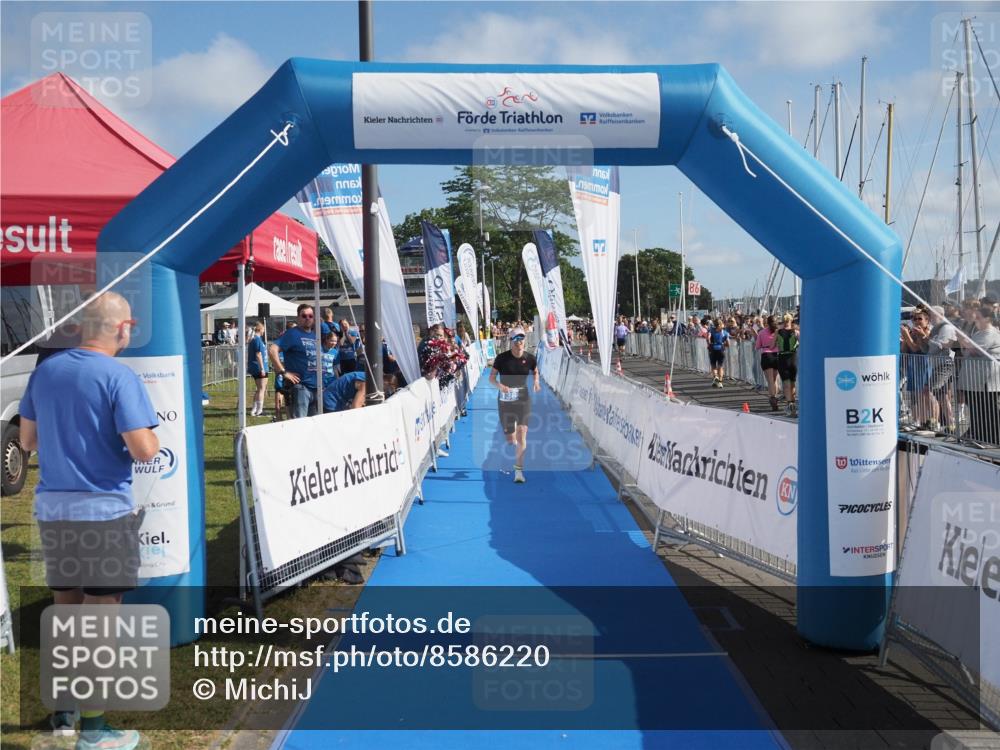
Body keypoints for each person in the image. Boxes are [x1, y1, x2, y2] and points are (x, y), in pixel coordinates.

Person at [19, 292, 158, 748]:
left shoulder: (46, 371)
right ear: (123, 327)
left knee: (66, 614)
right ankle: (95, 733)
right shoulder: (119, 376)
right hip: (103, 514)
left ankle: (64, 713)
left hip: (54, 512)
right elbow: (143, 448)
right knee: (99, 623)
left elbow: (28, 442)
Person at [488, 326, 540, 484]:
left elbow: (535, 370)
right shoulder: (502, 358)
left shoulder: (530, 358)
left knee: (522, 432)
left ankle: (518, 471)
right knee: (510, 439)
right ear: (511, 341)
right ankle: (514, 443)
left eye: (522, 338)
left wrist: (536, 381)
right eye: (516, 339)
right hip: (505, 400)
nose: (520, 342)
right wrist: (500, 386)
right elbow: (491, 378)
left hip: (523, 397)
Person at [957, 304, 1000, 444]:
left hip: (984, 382)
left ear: (987, 319)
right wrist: (964, 343)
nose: (975, 320)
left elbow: (977, 351)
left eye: (978, 318)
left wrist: (962, 340)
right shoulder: (978, 333)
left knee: (987, 410)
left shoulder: (990, 333)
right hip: (974, 381)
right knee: (976, 409)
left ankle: (990, 437)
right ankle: (978, 434)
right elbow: (967, 352)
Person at [269, 304, 320, 419]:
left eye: (310, 316)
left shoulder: (314, 335)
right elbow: (273, 350)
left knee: (315, 425)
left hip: (316, 388)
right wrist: (283, 372)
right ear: (298, 318)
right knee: (298, 426)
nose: (308, 318)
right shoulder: (292, 333)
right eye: (304, 315)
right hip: (301, 387)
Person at [755, 315, 781, 410]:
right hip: (777, 355)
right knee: (775, 379)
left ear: (767, 323)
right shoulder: (778, 332)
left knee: (770, 380)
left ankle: (773, 398)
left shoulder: (762, 333)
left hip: (766, 355)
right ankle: (775, 397)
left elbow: (757, 346)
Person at [775, 313, 799, 415]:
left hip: (782, 357)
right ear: (791, 321)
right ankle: (793, 404)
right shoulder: (796, 332)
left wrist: (777, 342)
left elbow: (772, 345)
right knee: (792, 382)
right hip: (793, 357)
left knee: (786, 383)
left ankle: (790, 404)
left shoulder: (778, 332)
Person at [247, 321, 269, 417]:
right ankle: (259, 410)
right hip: (258, 367)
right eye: (263, 329)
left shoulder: (255, 339)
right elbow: (258, 354)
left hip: (257, 367)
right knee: (261, 389)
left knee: (259, 389)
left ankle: (254, 410)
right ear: (260, 329)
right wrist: (262, 369)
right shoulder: (257, 340)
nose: (264, 331)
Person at [707, 317, 730, 388]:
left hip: (713, 348)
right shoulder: (725, 333)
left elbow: (708, 337)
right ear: (721, 324)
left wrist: (709, 344)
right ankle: (720, 381)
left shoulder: (711, 330)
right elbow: (728, 344)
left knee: (713, 365)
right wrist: (724, 345)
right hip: (721, 349)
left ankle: (715, 376)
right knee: (720, 366)